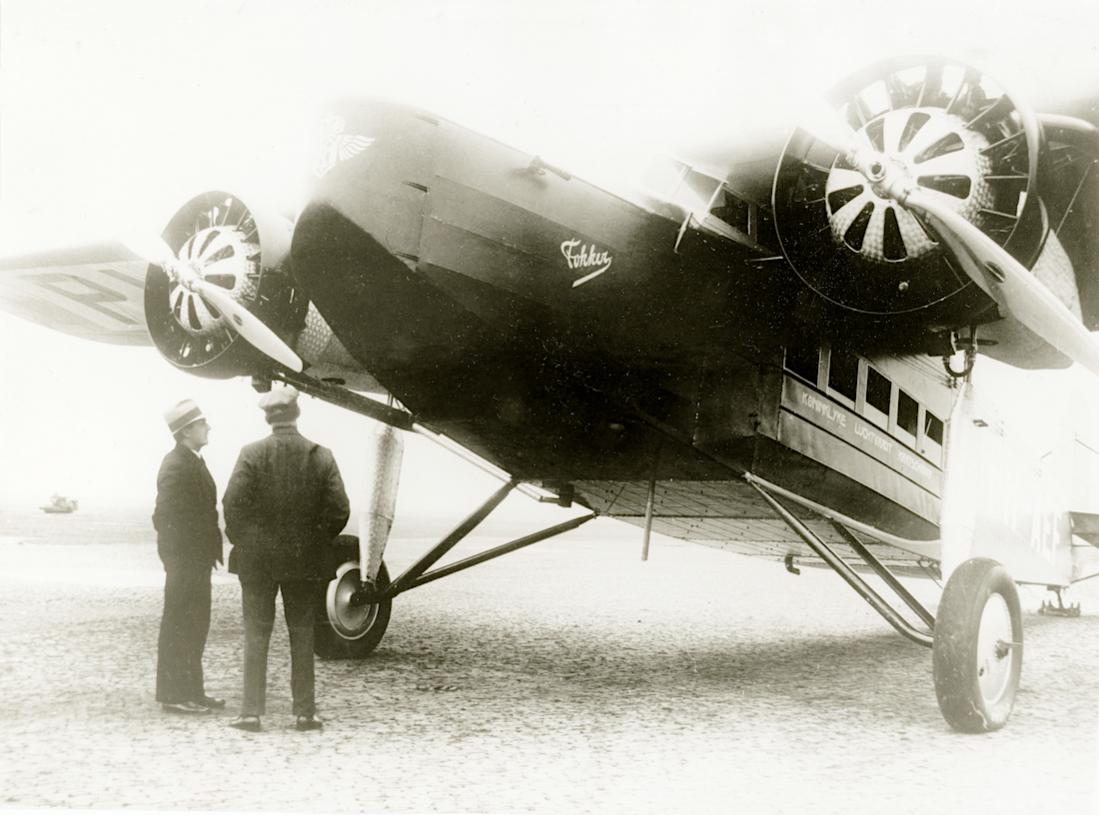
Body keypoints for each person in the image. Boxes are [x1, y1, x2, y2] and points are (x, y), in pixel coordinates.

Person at [223, 385, 349, 732]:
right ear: (296, 415)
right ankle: (305, 713)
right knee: (303, 633)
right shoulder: (320, 455)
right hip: (304, 562)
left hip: (257, 563)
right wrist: (312, 541)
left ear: (269, 418)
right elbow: (340, 510)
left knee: (256, 633)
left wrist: (249, 544)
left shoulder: (250, 454)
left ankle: (251, 713)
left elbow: (232, 506)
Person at [152, 399, 225, 714]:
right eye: (201, 423)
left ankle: (193, 691)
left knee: (195, 625)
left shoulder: (193, 460)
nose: (207, 427)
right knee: (180, 625)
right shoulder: (176, 464)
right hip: (185, 561)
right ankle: (173, 695)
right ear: (186, 431)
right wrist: (176, 559)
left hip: (196, 561)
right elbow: (163, 516)